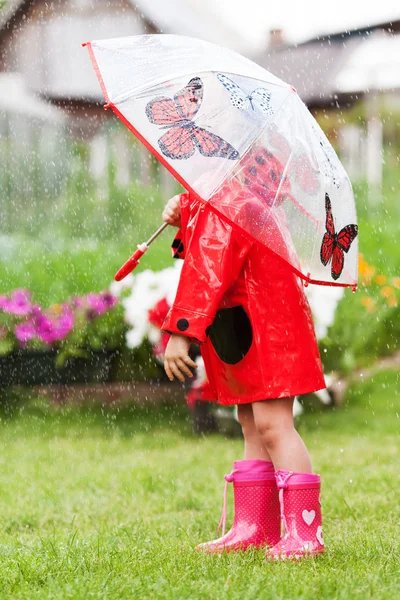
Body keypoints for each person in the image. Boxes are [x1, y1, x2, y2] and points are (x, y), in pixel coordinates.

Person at [160, 149, 326, 560]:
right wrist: (188, 209)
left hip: (267, 329)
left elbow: (207, 270)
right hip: (253, 325)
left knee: (273, 424)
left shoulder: (231, 202)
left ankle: (305, 533)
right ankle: (256, 526)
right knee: (251, 421)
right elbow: (219, 248)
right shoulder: (236, 198)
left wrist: (180, 332)